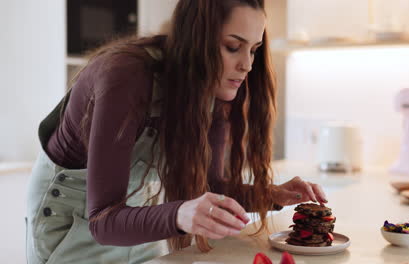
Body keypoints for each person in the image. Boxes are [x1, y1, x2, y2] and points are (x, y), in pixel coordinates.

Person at [25, 0, 328, 263]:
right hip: (73, 216)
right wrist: (179, 215)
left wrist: (271, 194)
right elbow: (104, 220)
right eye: (233, 47)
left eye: (254, 50)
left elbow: (211, 185)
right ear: (196, 38)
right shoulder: (125, 76)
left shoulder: (214, 87)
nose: (247, 64)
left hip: (134, 213)